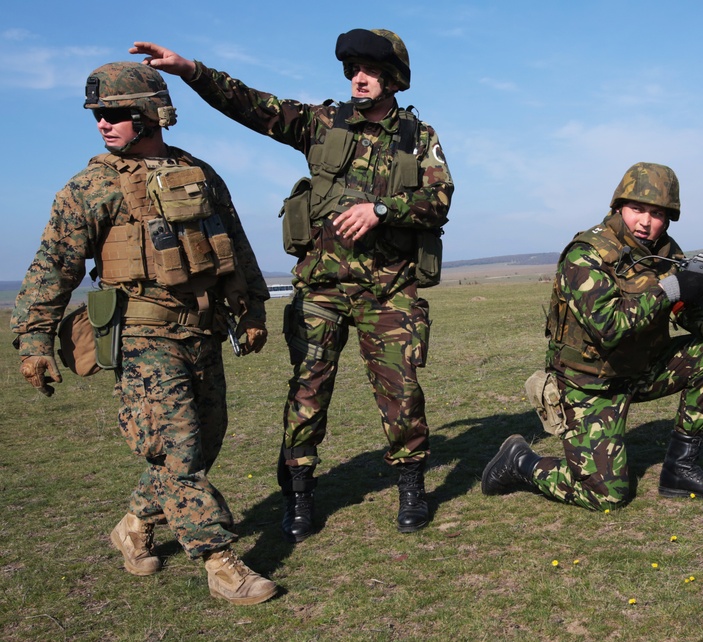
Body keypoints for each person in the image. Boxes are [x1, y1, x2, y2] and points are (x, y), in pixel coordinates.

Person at [131, 31, 454, 540]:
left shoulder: (418, 136)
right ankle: (299, 494)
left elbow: (440, 199)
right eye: (351, 71)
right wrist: (191, 69)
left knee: (403, 393)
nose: (358, 79)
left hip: (389, 290)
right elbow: (251, 105)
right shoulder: (320, 123)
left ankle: (411, 486)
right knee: (307, 394)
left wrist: (382, 209)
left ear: (393, 78)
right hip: (321, 288)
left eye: (369, 70)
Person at [10, 62, 276, 605]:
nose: (103, 124)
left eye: (115, 114)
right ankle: (221, 562)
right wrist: (34, 340)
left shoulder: (200, 174)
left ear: (151, 113)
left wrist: (250, 313)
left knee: (200, 444)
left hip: (201, 330)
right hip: (140, 337)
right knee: (176, 449)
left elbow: (237, 249)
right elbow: (52, 266)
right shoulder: (89, 188)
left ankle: (134, 524)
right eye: (98, 116)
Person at [481, 163, 703, 510]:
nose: (645, 222)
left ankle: (680, 470)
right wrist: (670, 289)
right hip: (590, 385)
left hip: (640, 372)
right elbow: (608, 327)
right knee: (606, 496)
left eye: (657, 213)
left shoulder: (666, 254)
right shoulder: (586, 254)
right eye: (637, 209)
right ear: (619, 207)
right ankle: (520, 461)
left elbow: (695, 317)